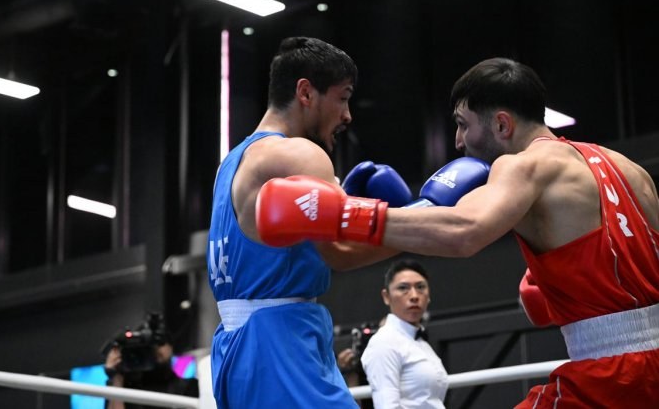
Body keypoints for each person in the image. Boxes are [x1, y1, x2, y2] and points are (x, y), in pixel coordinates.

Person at [256, 57, 659, 407]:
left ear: (502, 124)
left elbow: (465, 231)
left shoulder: (524, 166)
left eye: (464, 125)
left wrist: (339, 215)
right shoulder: (629, 169)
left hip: (608, 377)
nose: (458, 141)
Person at [206, 36, 411, 409]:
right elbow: (340, 251)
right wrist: (419, 224)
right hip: (278, 343)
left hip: (237, 346)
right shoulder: (300, 154)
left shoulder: (231, 164)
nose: (347, 115)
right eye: (342, 98)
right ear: (305, 92)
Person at [360, 259, 448, 409]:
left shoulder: (419, 342)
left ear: (429, 295)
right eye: (403, 288)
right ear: (386, 297)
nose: (414, 295)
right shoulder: (385, 341)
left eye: (420, 287)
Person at [103, 321, 198, 409]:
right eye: (147, 345)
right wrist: (116, 378)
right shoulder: (124, 389)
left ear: (171, 347)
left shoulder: (189, 387)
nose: (154, 348)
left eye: (158, 342)